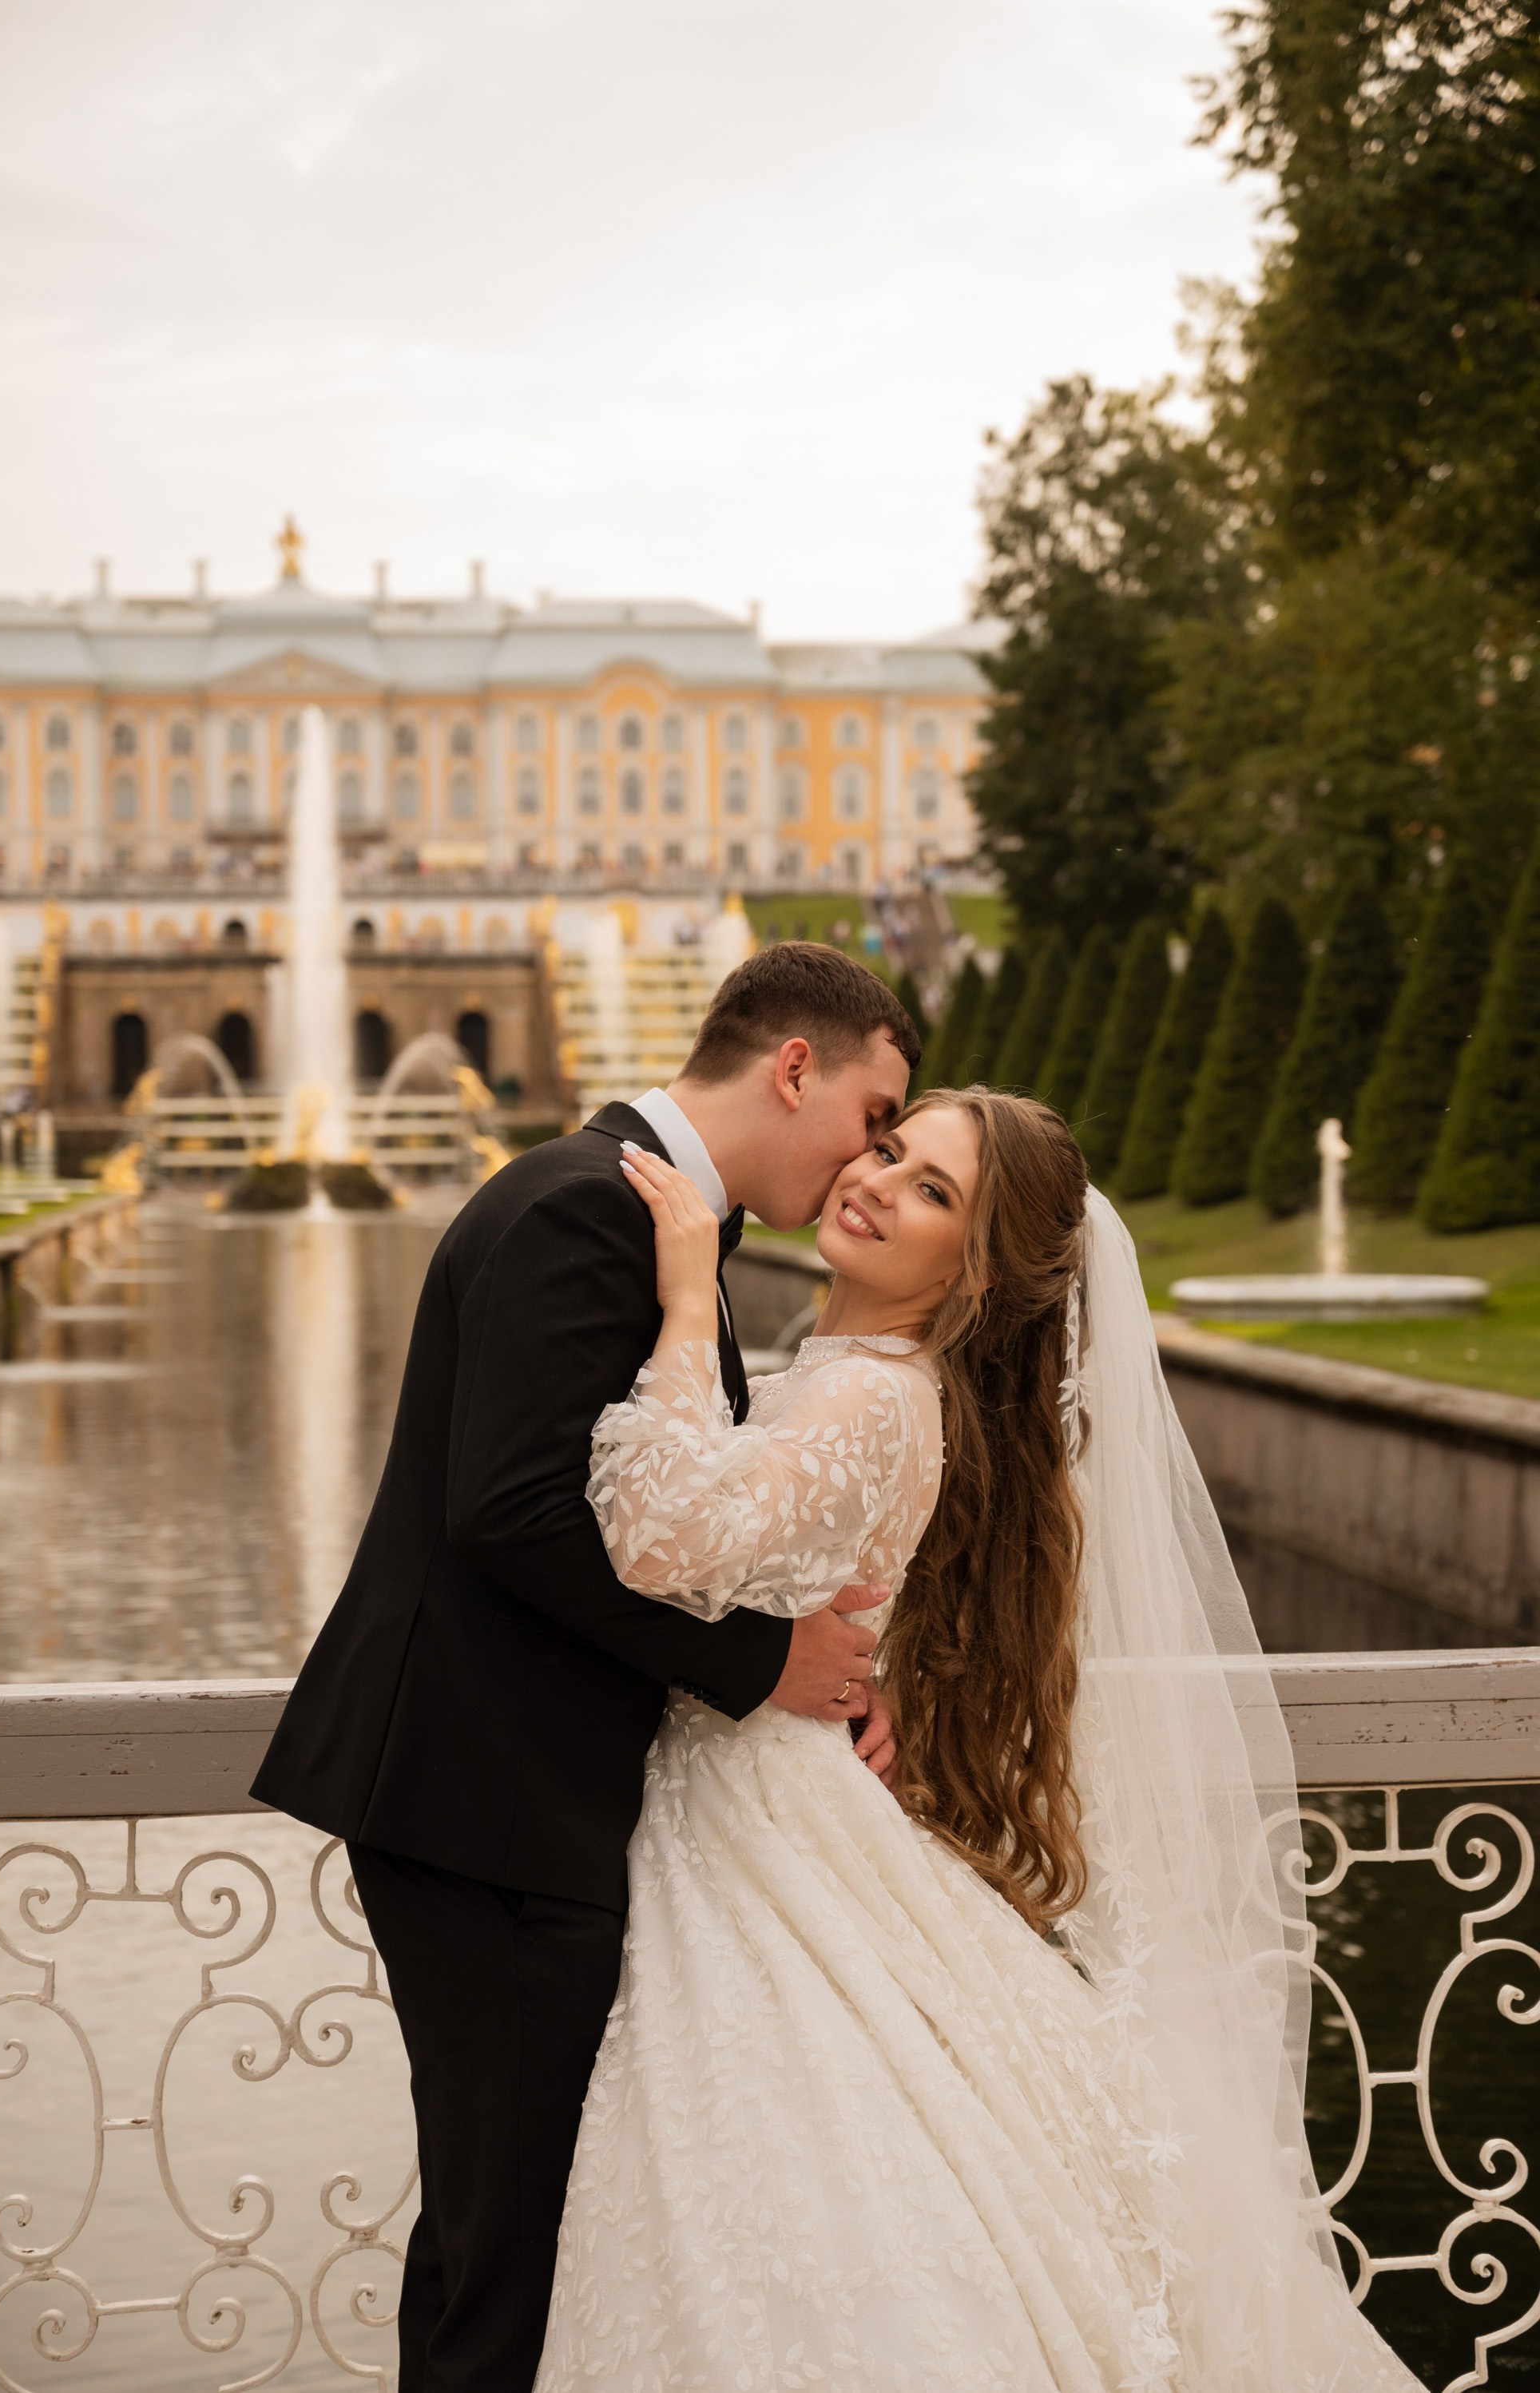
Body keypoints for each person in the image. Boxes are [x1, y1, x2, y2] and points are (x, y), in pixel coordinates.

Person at [535, 1087, 1425, 2392]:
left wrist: (679, 1303)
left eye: (934, 1190)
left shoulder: (877, 1397)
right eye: (891, 1150)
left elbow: (666, 1539)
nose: (880, 1182)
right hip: (763, 1803)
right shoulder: (858, 1379)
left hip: (757, 1830)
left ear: (981, 1269)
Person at [249, 942, 921, 2393]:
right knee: (510, 2248)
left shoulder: (623, 1203)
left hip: (504, 1796)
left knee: (508, 2234)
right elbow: (516, 1515)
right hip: (485, 1800)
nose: (871, 1156)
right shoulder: (584, 1208)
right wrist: (763, 1660)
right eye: (874, 1115)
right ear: (794, 1068)